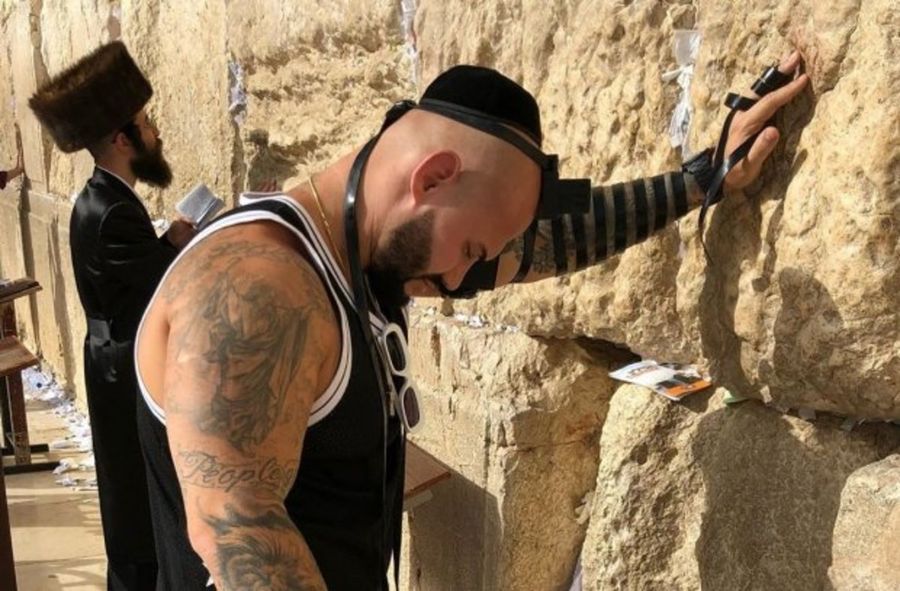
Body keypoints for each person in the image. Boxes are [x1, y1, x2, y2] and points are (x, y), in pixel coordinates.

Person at [134, 51, 808, 589]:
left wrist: (701, 177)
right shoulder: (260, 289)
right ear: (433, 177)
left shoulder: (364, 253)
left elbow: (556, 239)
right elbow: (237, 529)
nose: (461, 281)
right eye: (471, 251)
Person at [29, 42, 196, 590]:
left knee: (132, 499)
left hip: (113, 360)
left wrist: (168, 239)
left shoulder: (102, 198)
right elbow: (159, 285)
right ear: (123, 140)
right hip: (124, 371)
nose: (155, 133)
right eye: (145, 124)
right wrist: (195, 244)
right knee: (137, 509)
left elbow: (133, 273)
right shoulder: (112, 209)